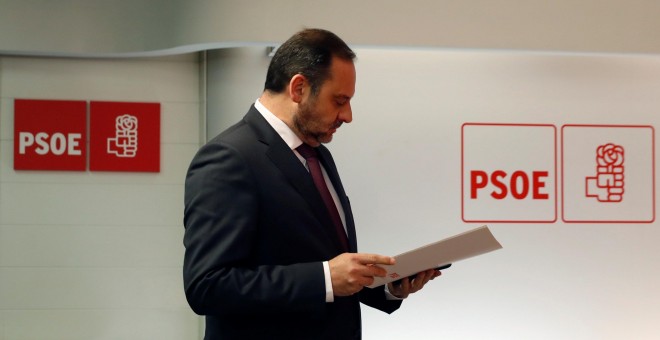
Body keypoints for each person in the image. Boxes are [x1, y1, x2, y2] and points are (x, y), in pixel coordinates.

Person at [183, 28, 441, 340]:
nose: (347, 115)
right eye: (339, 100)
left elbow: (328, 262)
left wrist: (387, 286)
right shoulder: (229, 158)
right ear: (299, 88)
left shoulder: (319, 156)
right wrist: (325, 279)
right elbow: (208, 286)